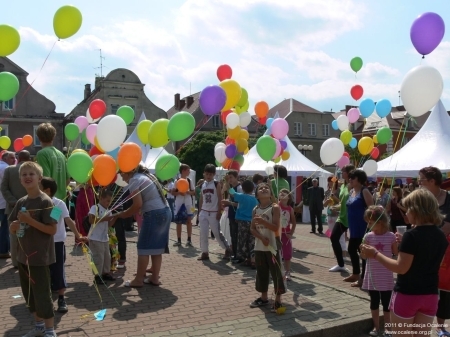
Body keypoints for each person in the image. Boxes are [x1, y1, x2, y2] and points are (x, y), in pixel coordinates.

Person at [361, 189, 448, 336]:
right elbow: (435, 263)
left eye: (408, 210)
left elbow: (400, 268)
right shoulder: (441, 235)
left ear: (416, 210)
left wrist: (375, 253)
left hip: (408, 295)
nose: (405, 214)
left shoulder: (411, 235)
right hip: (430, 295)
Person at [8, 162, 58, 337]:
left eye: (31, 174)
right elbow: (12, 226)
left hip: (40, 257)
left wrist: (30, 221)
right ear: (20, 180)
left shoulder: (47, 201)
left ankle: (50, 330)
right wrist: (14, 226)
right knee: (29, 295)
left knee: (42, 293)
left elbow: (53, 229)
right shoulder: (21, 201)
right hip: (23, 256)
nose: (27, 177)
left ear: (39, 178)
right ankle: (38, 327)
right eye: (24, 174)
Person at [117, 165, 171, 288]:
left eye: (121, 173)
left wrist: (123, 215)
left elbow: (137, 204)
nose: (121, 176)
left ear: (128, 171)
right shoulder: (147, 176)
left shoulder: (134, 180)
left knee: (144, 247)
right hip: (165, 211)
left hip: (154, 213)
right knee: (157, 248)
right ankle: (154, 278)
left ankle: (138, 280)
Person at [40, 177, 86, 313]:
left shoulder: (57, 204)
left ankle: (61, 297)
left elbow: (67, 220)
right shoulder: (35, 202)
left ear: (47, 191)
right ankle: (45, 296)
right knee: (44, 270)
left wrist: (78, 236)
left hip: (56, 242)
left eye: (39, 187)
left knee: (58, 269)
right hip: (40, 243)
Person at [418, 166, 450, 336]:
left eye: (421, 180)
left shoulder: (448, 199)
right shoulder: (422, 200)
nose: (419, 183)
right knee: (427, 286)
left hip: (447, 250)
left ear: (432, 181)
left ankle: (441, 327)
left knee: (444, 289)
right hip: (425, 249)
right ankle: (422, 324)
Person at [360, 206, 397, 337]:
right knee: (374, 302)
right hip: (372, 276)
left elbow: (396, 253)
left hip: (386, 275)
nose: (368, 225)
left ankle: (388, 328)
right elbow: (363, 257)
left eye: (370, 223)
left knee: (387, 304)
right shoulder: (368, 237)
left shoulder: (391, 236)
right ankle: (376, 327)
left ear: (379, 222)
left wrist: (400, 242)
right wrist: (362, 251)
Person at [249, 182, 285, 312]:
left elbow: (275, 227)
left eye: (266, 188)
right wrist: (261, 237)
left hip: (273, 247)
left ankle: (278, 300)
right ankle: (264, 298)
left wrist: (263, 221)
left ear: (270, 193)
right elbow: (252, 229)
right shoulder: (255, 209)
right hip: (259, 247)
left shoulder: (275, 207)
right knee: (261, 273)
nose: (264, 189)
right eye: (261, 188)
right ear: (257, 194)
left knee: (276, 273)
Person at [343, 169, 373, 287]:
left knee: (363, 252)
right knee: (351, 250)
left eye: (352, 178)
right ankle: (356, 273)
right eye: (349, 177)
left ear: (359, 180)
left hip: (363, 227)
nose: (349, 179)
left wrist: (369, 223)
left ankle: (363, 278)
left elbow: (372, 208)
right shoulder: (351, 192)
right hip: (353, 227)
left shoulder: (364, 191)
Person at [0, 150, 30, 267]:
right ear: (28, 159)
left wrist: (13, 201)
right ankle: (27, 259)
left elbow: (4, 188)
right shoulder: (32, 170)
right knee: (27, 234)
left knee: (14, 235)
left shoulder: (9, 170)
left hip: (12, 208)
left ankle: (16, 262)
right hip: (29, 207)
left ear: (18, 158)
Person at [197, 164, 232, 261]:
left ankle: (227, 249)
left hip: (213, 212)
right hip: (204, 211)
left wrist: (219, 211)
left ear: (214, 175)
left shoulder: (216, 184)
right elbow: (201, 198)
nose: (208, 176)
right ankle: (205, 252)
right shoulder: (202, 184)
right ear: (204, 174)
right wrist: (199, 212)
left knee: (216, 233)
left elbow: (220, 198)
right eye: (207, 174)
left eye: (211, 174)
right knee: (203, 233)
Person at [88, 189, 117, 284]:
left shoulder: (108, 210)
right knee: (98, 257)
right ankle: (97, 275)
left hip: (104, 238)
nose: (109, 203)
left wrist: (116, 217)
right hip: (95, 238)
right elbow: (91, 220)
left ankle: (106, 273)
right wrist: (105, 218)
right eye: (107, 200)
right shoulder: (95, 207)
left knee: (107, 257)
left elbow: (109, 224)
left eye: (110, 201)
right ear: (101, 198)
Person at [329, 165, 354, 272]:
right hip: (342, 218)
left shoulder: (352, 186)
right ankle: (341, 264)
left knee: (355, 246)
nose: (341, 172)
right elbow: (343, 203)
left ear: (349, 173)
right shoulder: (343, 186)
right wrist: (336, 207)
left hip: (352, 218)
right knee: (333, 237)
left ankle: (361, 270)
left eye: (343, 171)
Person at [35, 123, 70, 200]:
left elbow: (45, 180)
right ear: (53, 137)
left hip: (49, 200)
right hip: (61, 200)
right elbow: (67, 180)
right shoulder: (61, 154)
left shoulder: (42, 154)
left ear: (39, 137)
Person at [228, 180, 258, 266]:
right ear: (253, 189)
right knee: (251, 240)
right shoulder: (255, 199)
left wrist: (227, 182)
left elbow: (231, 192)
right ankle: (252, 259)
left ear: (243, 188)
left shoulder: (241, 196)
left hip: (242, 222)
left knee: (242, 240)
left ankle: (242, 257)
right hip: (252, 222)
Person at [172, 164, 195, 247]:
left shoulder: (189, 180)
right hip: (178, 204)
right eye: (188, 170)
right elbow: (172, 192)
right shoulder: (177, 181)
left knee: (189, 220)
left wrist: (188, 192)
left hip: (189, 204)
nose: (189, 172)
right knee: (178, 222)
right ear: (183, 171)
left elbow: (194, 192)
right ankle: (179, 240)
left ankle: (189, 239)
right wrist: (179, 193)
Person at [222, 170, 243, 260]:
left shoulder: (239, 188)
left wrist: (229, 203)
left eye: (231, 177)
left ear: (236, 177)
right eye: (228, 177)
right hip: (231, 213)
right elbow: (229, 192)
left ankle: (237, 254)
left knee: (236, 234)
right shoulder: (232, 187)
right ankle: (233, 252)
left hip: (237, 214)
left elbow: (240, 203)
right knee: (232, 234)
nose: (229, 179)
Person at [0, 151, 17, 258]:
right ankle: (4, 250)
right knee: (5, 227)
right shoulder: (7, 169)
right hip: (3, 202)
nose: (14, 160)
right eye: (12, 158)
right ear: (5, 158)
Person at [324, 177, 347, 254]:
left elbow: (342, 202)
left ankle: (343, 251)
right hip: (330, 215)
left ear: (335, 182)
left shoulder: (340, 191)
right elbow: (324, 205)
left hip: (338, 215)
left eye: (332, 181)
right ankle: (336, 250)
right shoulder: (327, 192)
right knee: (332, 234)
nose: (330, 183)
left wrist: (335, 198)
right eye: (329, 181)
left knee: (341, 234)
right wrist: (326, 201)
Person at [278, 188, 296, 281]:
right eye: (281, 192)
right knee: (276, 252)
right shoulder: (276, 206)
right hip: (277, 233)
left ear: (289, 197)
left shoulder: (290, 209)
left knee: (287, 254)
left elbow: (294, 222)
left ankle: (287, 271)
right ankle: (277, 271)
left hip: (286, 234)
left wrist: (291, 233)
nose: (282, 193)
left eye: (285, 193)